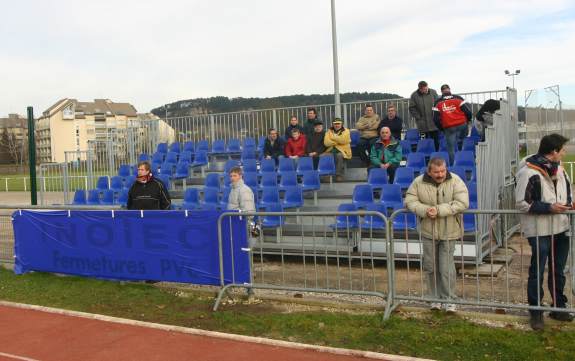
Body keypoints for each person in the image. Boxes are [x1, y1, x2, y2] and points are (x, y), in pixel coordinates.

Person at [515, 134, 573, 331]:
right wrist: (549, 208)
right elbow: (522, 203)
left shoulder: (561, 170)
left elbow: (567, 196)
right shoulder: (528, 172)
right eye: (562, 149)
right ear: (554, 151)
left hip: (561, 228)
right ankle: (536, 312)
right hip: (539, 230)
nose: (564, 152)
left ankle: (558, 307)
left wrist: (569, 205)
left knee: (558, 270)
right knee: (537, 270)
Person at [404, 157, 469, 313]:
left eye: (442, 171)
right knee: (430, 267)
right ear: (429, 171)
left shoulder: (456, 180)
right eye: (436, 172)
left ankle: (449, 300)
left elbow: (463, 202)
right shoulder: (418, 182)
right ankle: (434, 299)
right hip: (428, 231)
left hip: (450, 231)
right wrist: (425, 210)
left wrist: (439, 210)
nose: (440, 174)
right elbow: (409, 201)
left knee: (446, 268)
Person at [433, 84, 472, 165]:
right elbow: (468, 112)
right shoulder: (458, 99)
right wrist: (467, 122)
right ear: (450, 90)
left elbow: (435, 119)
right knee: (463, 141)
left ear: (442, 92)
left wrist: (442, 128)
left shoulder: (438, 102)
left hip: (449, 127)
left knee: (451, 149)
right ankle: (465, 161)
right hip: (462, 125)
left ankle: (453, 166)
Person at [227, 166, 259, 237]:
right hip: (235, 223)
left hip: (242, 225)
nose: (232, 178)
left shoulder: (244, 190)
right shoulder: (233, 189)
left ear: (240, 176)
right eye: (231, 176)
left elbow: (249, 212)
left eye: (235, 176)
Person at [409, 81, 440, 150]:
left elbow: (438, 103)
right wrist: (418, 117)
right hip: (422, 125)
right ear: (420, 89)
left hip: (433, 123)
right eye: (424, 89)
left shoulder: (433, 92)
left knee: (436, 142)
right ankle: (426, 157)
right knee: (423, 142)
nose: (426, 90)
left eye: (427, 88)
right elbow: (411, 108)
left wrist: (436, 115)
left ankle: (436, 155)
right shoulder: (414, 95)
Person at [324, 118, 352, 182]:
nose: (337, 125)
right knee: (325, 156)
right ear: (333, 124)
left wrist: (332, 138)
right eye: (335, 124)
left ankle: (338, 175)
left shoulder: (346, 131)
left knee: (339, 156)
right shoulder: (329, 131)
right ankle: (327, 175)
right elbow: (326, 142)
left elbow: (344, 140)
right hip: (331, 150)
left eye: (338, 124)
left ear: (341, 124)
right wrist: (338, 141)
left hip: (343, 150)